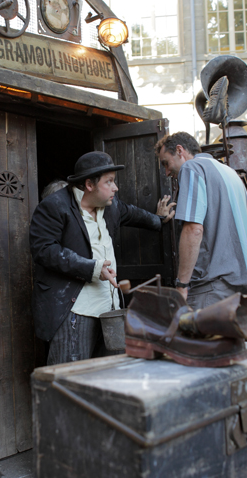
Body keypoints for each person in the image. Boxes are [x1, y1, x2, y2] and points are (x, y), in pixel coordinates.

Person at [30, 151, 175, 365]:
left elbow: (133, 214)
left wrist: (159, 220)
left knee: (110, 373)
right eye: (109, 182)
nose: (115, 188)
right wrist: (92, 268)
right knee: (71, 376)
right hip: (74, 310)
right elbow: (44, 250)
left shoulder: (110, 206)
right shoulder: (54, 206)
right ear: (89, 184)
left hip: (109, 308)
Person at [155, 131, 247, 309]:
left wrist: (182, 285)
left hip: (212, 287)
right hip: (239, 285)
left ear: (180, 150)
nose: (166, 172)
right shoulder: (230, 173)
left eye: (166, 163)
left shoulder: (192, 168)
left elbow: (193, 229)